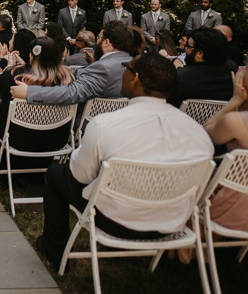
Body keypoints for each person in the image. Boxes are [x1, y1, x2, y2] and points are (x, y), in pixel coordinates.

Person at [38, 53, 213, 266]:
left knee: (56, 174)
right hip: (171, 224)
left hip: (116, 221)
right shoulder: (199, 133)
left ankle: (56, 251)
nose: (122, 73)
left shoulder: (105, 124)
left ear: (135, 78)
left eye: (125, 68)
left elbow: (80, 175)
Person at [202, 45, 248, 235]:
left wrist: (234, 101)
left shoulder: (234, 122)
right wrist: (245, 103)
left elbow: (205, 134)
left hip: (234, 210)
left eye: (247, 70)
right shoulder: (245, 120)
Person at [0, 36, 75, 175]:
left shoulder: (15, 74)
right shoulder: (68, 76)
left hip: (18, 137)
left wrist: (11, 67)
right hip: (56, 138)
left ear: (33, 53)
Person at [11, 20, 133, 104]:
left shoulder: (102, 68)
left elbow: (72, 93)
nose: (96, 43)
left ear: (106, 42)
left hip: (91, 126)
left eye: (99, 38)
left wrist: (30, 92)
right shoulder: (133, 62)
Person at [0, 29, 36, 172]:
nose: (10, 40)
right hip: (43, 130)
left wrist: (8, 66)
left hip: (15, 128)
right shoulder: (45, 73)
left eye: (12, 38)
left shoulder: (14, 72)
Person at [167, 28, 238, 109]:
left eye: (188, 46)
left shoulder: (180, 77)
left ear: (200, 53)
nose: (185, 49)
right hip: (225, 119)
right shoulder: (233, 69)